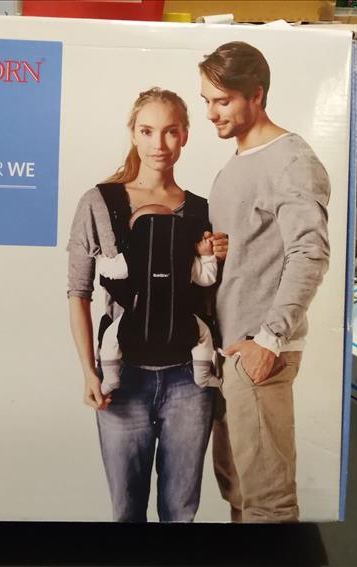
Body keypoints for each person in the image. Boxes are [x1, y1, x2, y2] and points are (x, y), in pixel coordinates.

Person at [66, 87, 227, 522]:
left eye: (171, 131)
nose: (159, 144)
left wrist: (221, 255)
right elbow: (78, 292)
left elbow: (211, 294)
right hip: (122, 377)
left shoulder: (203, 211)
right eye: (147, 131)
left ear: (186, 135)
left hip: (189, 380)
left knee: (180, 512)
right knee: (126, 511)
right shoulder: (99, 203)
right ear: (133, 133)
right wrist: (89, 371)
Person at [199, 42, 331, 523]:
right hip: (230, 351)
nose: (212, 114)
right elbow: (252, 248)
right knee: (237, 491)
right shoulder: (238, 163)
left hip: (259, 351)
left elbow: (310, 252)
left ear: (256, 95)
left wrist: (268, 340)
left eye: (223, 101)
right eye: (206, 101)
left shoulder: (291, 160)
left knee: (268, 503)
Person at [96, 203, 221, 394]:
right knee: (203, 335)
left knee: (111, 337)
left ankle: (111, 377)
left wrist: (100, 259)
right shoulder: (184, 257)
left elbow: (110, 270)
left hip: (138, 318)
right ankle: (202, 375)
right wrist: (206, 257)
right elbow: (207, 279)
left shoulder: (132, 256)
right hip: (179, 318)